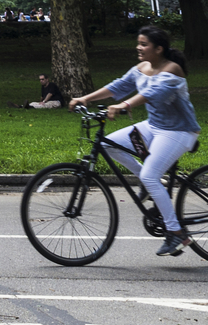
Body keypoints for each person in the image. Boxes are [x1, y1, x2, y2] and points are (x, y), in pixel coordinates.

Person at [70, 23, 200, 256]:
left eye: (144, 44)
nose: (138, 48)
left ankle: (177, 232)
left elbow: (153, 93)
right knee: (109, 145)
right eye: (138, 43)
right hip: (154, 126)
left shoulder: (172, 69)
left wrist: (124, 104)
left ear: (158, 48)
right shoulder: (142, 67)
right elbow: (118, 86)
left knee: (151, 175)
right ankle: (151, 184)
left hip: (179, 131)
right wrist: (85, 98)